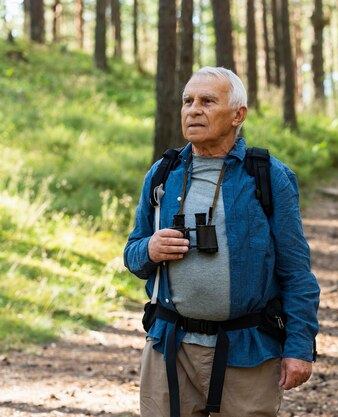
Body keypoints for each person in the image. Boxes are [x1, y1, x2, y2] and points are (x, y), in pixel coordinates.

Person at [124, 66, 320, 417]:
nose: (193, 109)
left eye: (207, 101)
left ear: (237, 115)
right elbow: (133, 253)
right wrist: (150, 249)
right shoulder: (162, 174)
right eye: (188, 101)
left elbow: (296, 272)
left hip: (248, 349)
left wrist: (299, 347)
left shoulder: (269, 176)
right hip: (170, 347)